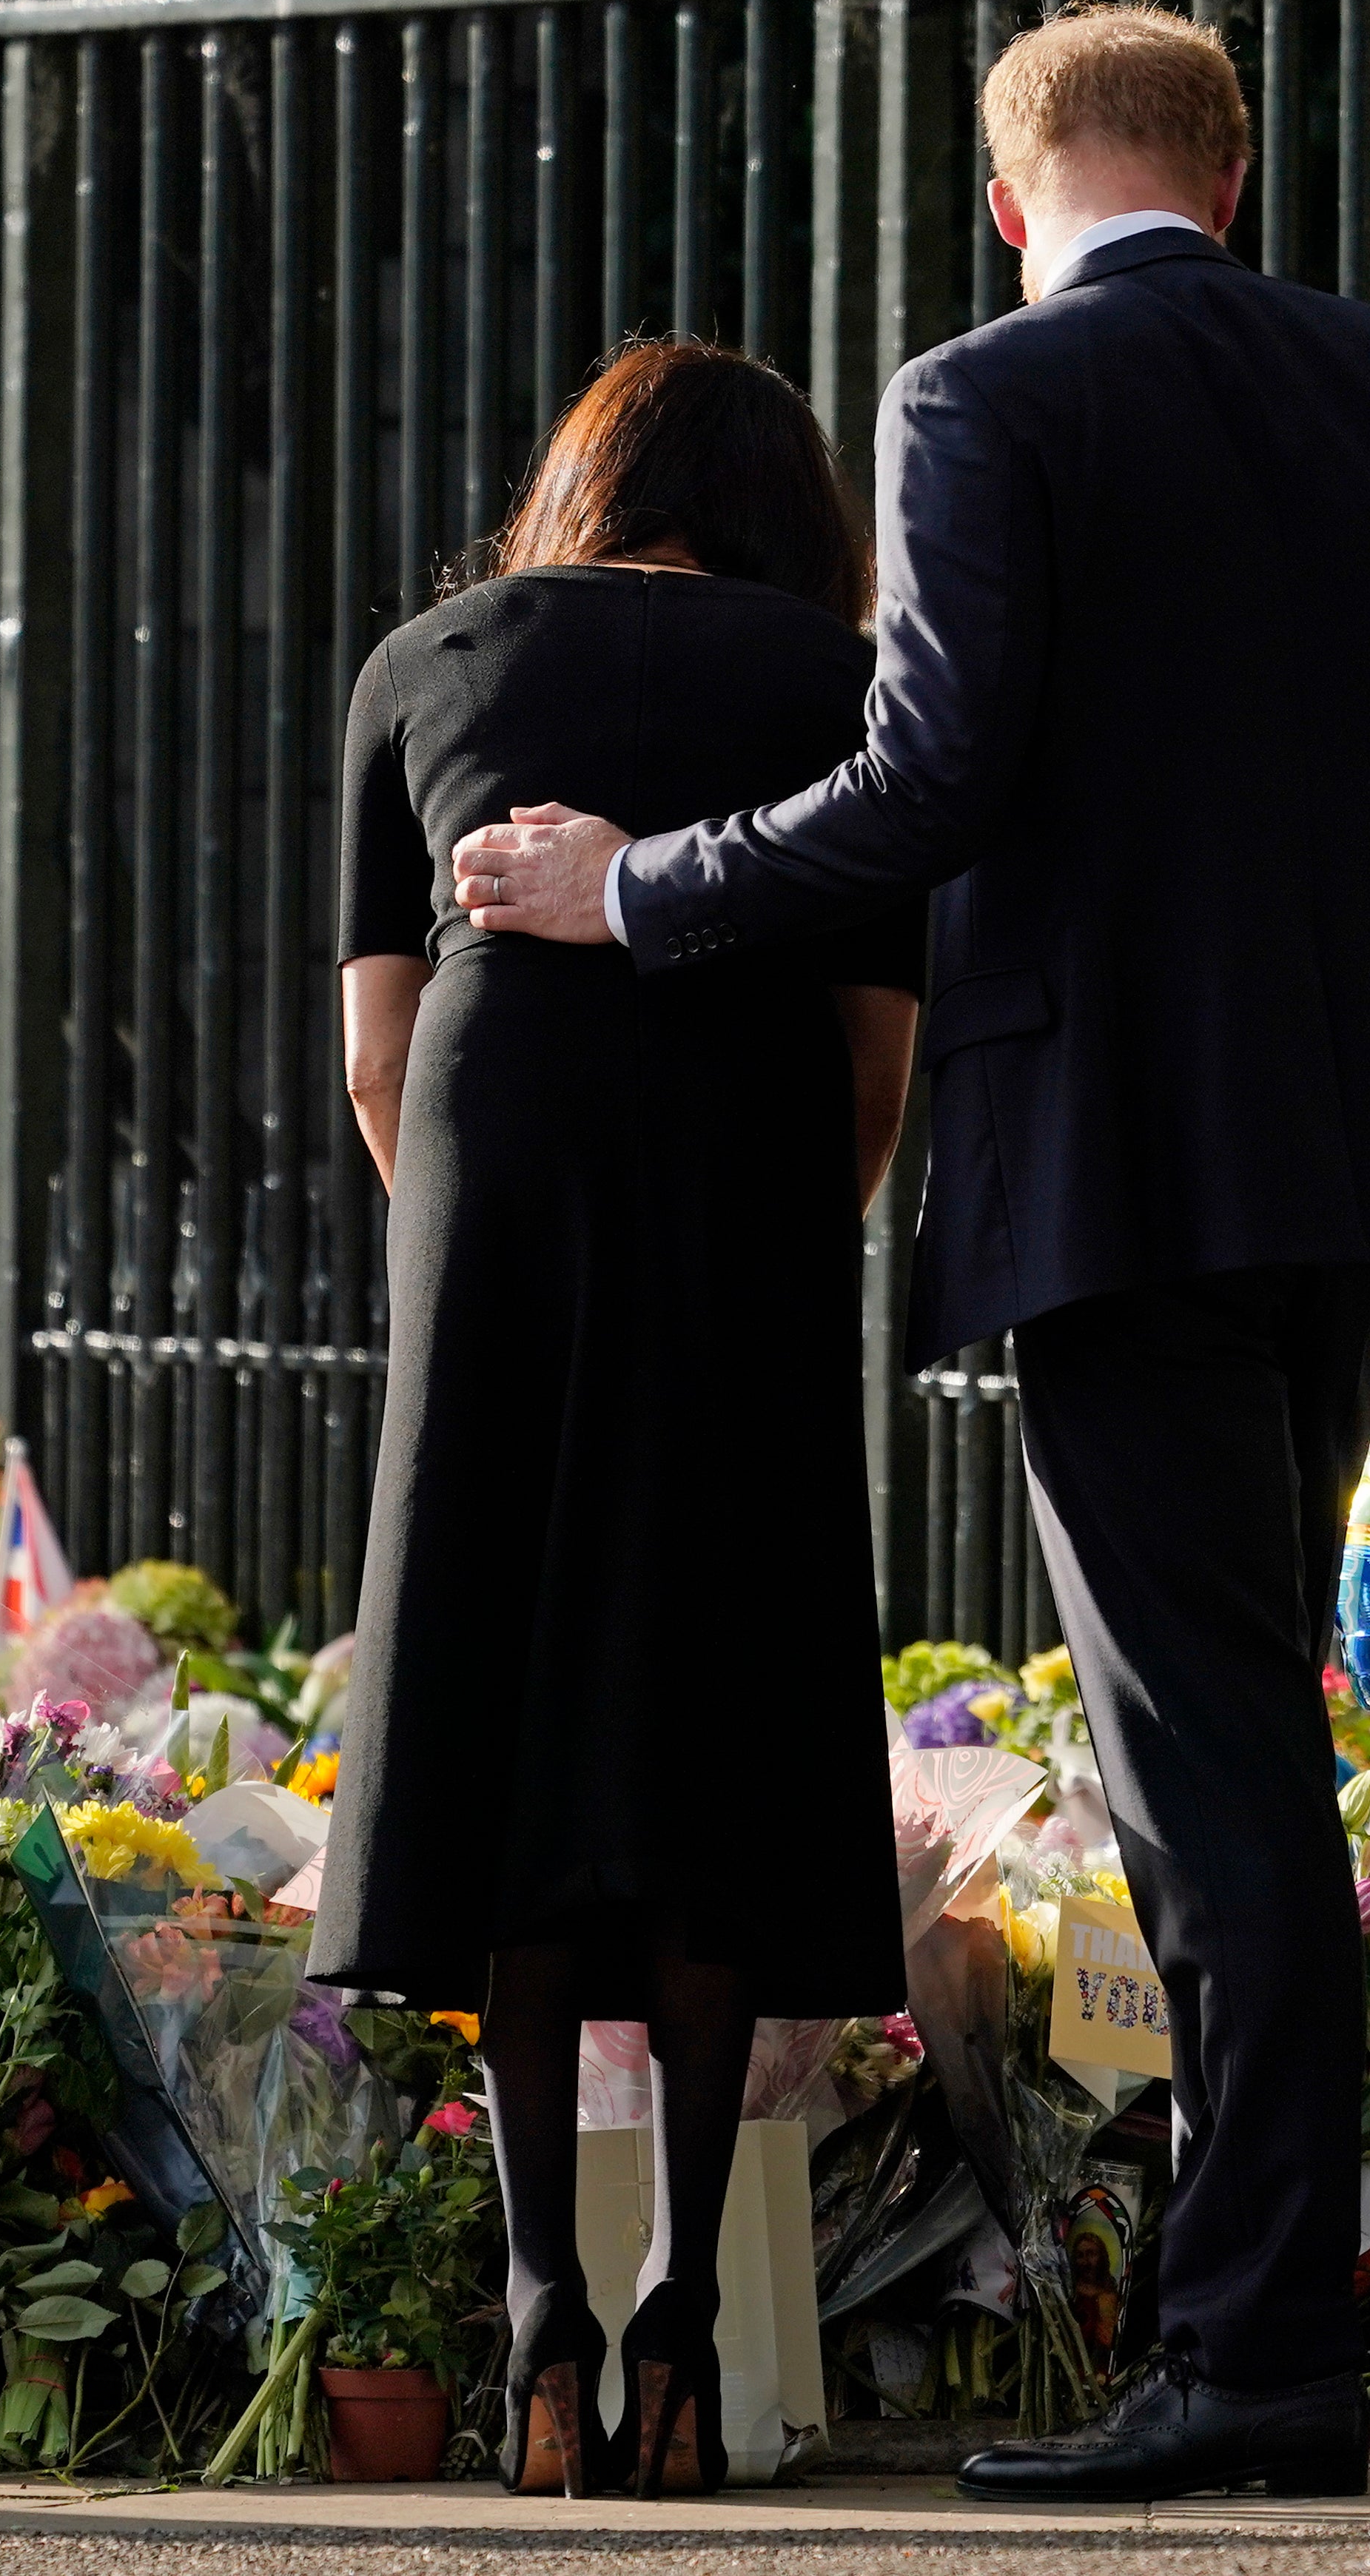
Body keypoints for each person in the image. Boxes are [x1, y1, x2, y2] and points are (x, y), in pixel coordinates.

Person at [454, 1, 1370, 2501]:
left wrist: (633, 892)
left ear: (1005, 195)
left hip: (1111, 1175)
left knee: (1217, 1784)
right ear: (1233, 176)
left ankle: (1258, 2365)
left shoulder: (981, 404)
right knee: (1243, 1733)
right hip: (1358, 1182)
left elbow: (930, 777)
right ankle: (1255, 2334)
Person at [309, 338, 918, 2501]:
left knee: (510, 1699)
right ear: (790, 514)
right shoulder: (840, 690)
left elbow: (380, 1061)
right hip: (741, 1179)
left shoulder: (429, 657)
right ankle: (681, 2306)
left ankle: (540, 2305)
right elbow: (873, 1055)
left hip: (498, 1175)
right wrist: (762, 1240)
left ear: (576, 484)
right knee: (711, 1709)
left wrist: (482, 1258)